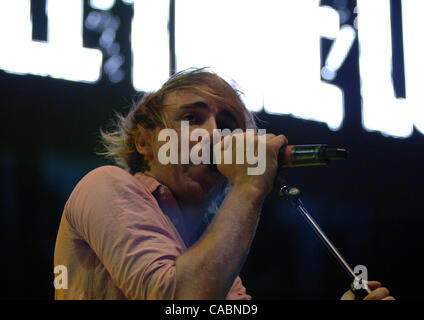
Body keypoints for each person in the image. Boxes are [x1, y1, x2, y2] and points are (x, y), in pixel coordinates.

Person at [54, 68, 394, 300]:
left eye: (228, 124)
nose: (215, 133)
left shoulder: (214, 262)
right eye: (192, 118)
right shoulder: (104, 185)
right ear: (144, 142)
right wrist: (249, 186)